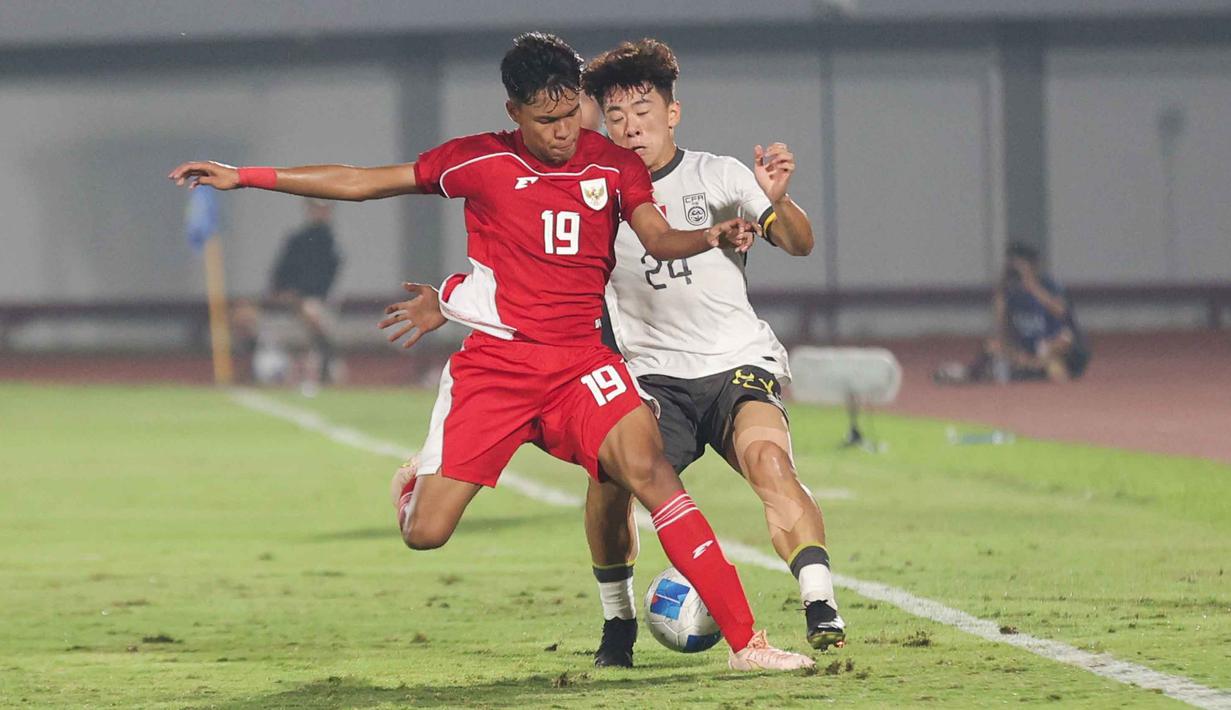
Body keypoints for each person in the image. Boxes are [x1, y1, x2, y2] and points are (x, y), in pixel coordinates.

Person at [169, 32, 813, 671]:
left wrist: (709, 235)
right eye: (546, 120)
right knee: (427, 533)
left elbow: (657, 237)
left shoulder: (613, 165)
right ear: (515, 113)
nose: (564, 132)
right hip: (497, 369)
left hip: (581, 365)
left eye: (570, 115)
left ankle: (748, 645)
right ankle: (414, 485)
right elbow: (364, 181)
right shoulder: (477, 162)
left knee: (653, 477)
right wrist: (246, 179)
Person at [380, 38, 844, 669]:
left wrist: (776, 200)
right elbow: (529, 269)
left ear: (672, 113)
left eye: (644, 113)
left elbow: (798, 244)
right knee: (608, 485)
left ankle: (818, 607)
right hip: (649, 373)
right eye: (617, 116)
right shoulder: (594, 179)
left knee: (768, 460)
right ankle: (618, 625)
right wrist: (454, 300)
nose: (631, 128)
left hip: (732, 361)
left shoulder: (721, 175)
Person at [934, 242, 1090, 385]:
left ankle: (1036, 368)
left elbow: (1061, 311)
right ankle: (1030, 369)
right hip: (1027, 350)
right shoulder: (1008, 291)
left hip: (1053, 346)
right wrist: (1001, 298)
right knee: (993, 346)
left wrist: (1032, 285)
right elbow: (1001, 331)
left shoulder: (1048, 285)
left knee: (1061, 342)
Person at [234, 199, 344, 390]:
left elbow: (324, 283)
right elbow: (279, 273)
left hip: (313, 302)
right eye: (316, 209)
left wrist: (299, 297)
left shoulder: (331, 246)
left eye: (324, 210)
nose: (320, 213)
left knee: (311, 311)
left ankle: (325, 361)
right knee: (243, 314)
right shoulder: (296, 240)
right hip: (285, 302)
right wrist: (281, 293)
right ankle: (249, 365)